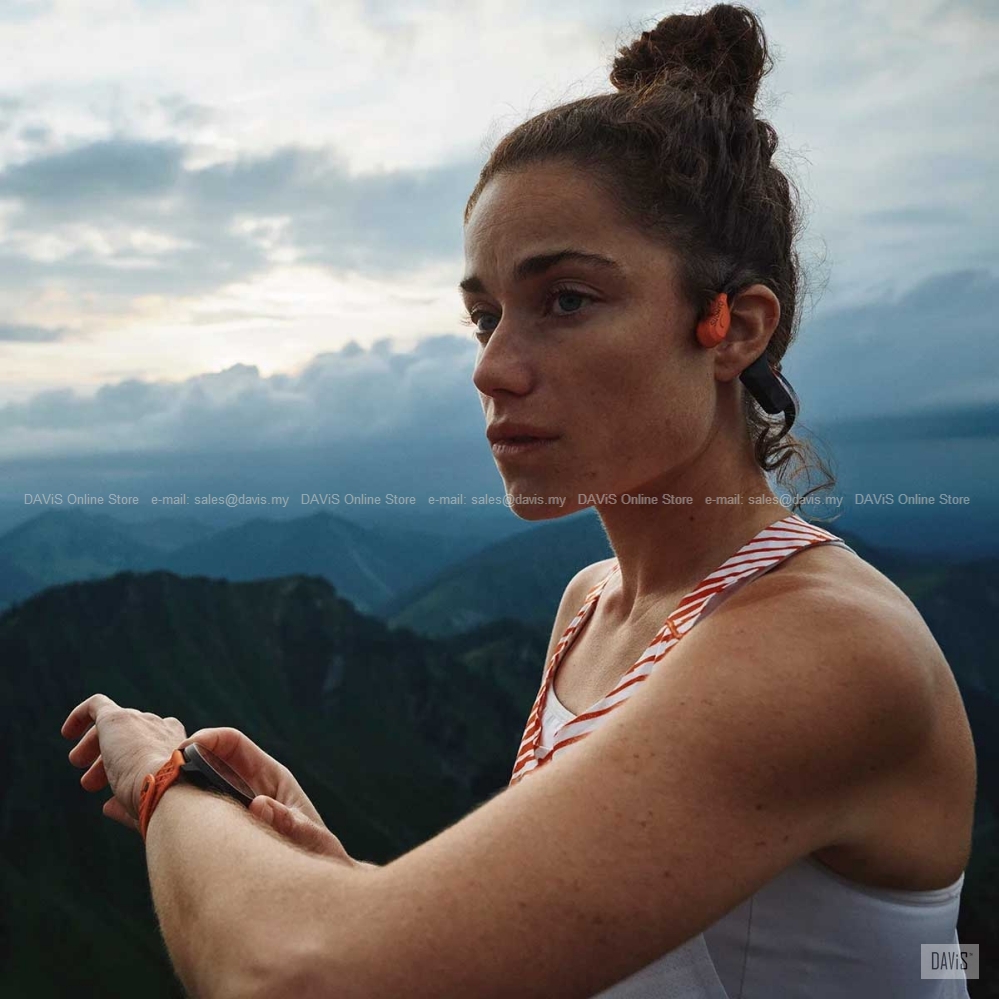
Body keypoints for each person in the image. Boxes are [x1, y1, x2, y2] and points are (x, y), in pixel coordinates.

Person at [61, 4, 977, 997]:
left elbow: (299, 980)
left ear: (735, 327)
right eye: (484, 316)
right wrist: (337, 880)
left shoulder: (822, 648)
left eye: (566, 300)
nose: (491, 368)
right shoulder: (591, 604)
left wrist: (163, 779)